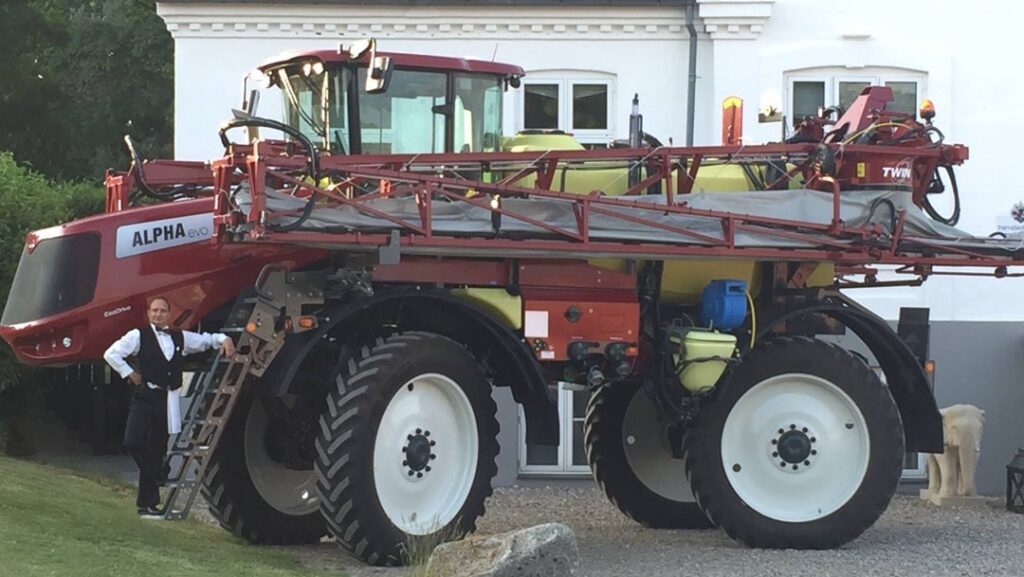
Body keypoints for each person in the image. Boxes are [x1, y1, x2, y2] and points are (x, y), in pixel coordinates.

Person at [103, 297, 235, 519]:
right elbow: (111, 353)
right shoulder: (138, 335)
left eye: (162, 311)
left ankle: (148, 504)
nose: (158, 314)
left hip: (167, 398)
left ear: (169, 314)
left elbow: (206, 340)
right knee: (132, 441)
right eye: (154, 311)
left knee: (157, 447)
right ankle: (158, 473)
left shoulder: (179, 337)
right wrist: (129, 373)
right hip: (145, 395)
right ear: (149, 313)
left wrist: (224, 339)